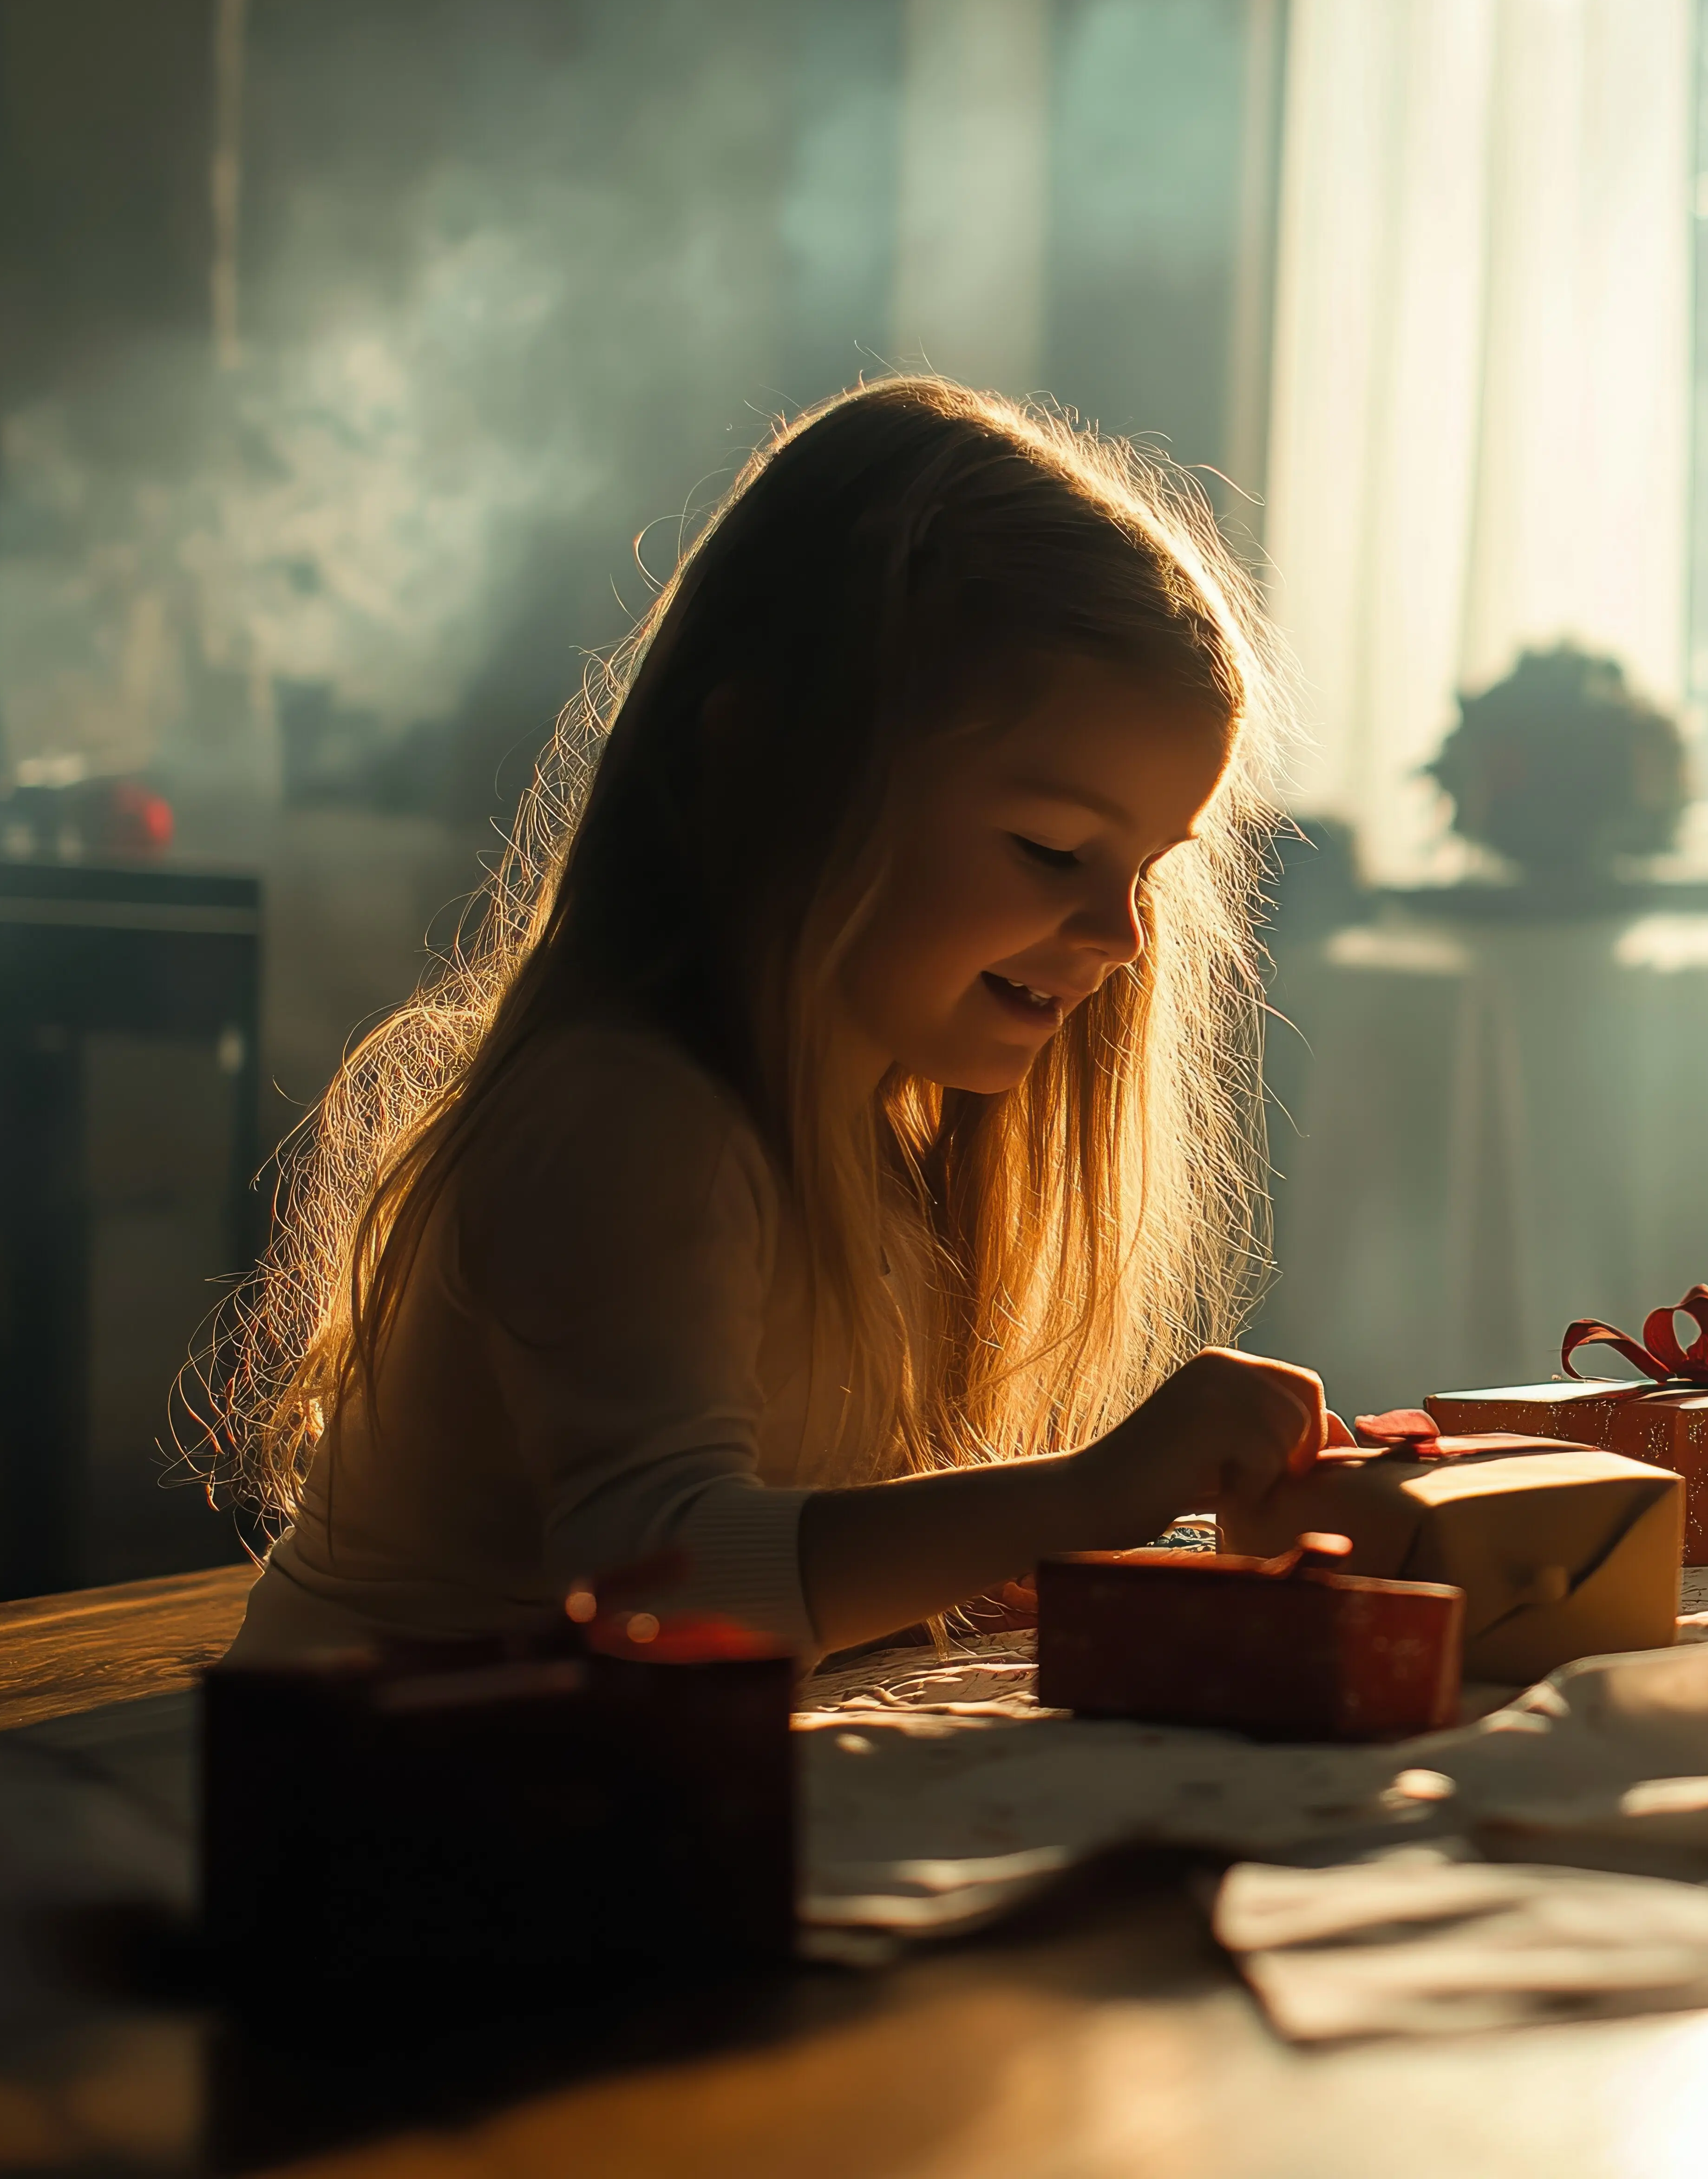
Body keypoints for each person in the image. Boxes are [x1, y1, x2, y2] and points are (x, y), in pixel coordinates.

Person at [202, 377, 1336, 1662]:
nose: (1125, 938)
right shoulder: (627, 1122)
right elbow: (657, 1597)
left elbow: (793, 1551)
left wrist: (994, 1561)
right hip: (378, 1798)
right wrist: (1085, 1493)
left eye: (1148, 872)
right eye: (1052, 848)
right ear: (768, 769)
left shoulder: (881, 1148)